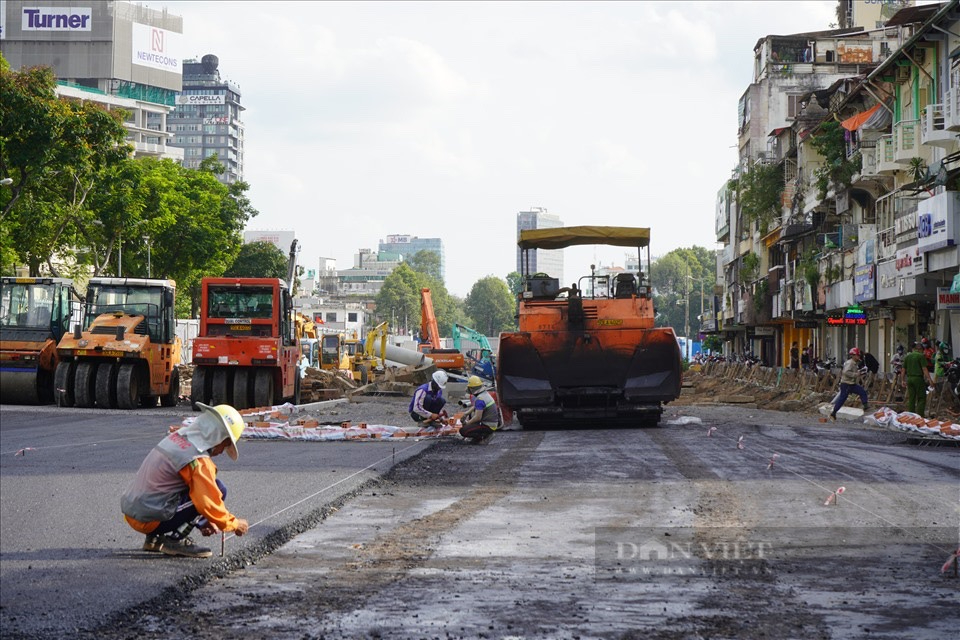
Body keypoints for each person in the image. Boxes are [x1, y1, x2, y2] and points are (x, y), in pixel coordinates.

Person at [121, 403, 250, 558]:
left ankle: (154, 540)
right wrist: (234, 524)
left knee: (199, 489)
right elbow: (206, 502)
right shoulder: (198, 459)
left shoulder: (178, 437)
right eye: (226, 444)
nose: (222, 451)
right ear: (219, 436)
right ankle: (174, 541)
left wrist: (203, 521)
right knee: (219, 489)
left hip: (135, 510)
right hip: (150, 518)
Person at [458, 375, 501, 444]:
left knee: (463, 431)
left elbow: (477, 417)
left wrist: (467, 424)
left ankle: (484, 436)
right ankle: (479, 437)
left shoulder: (480, 399)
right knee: (471, 423)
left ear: (471, 388)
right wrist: (466, 413)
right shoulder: (484, 395)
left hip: (488, 426)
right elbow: (477, 406)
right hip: (492, 423)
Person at [830, 347, 869, 420]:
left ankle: (866, 406)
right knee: (842, 399)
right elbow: (846, 372)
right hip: (846, 384)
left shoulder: (854, 363)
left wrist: (860, 372)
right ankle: (833, 413)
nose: (858, 357)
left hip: (852, 384)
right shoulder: (850, 363)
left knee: (862, 392)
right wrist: (855, 374)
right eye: (857, 355)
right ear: (853, 355)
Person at [902, 341, 933, 417]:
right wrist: (930, 380)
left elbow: (903, 370)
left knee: (911, 398)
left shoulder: (907, 356)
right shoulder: (920, 356)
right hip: (918, 379)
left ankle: (911, 416)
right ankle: (920, 416)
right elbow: (924, 369)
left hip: (909, 379)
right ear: (920, 349)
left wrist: (902, 380)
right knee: (921, 397)